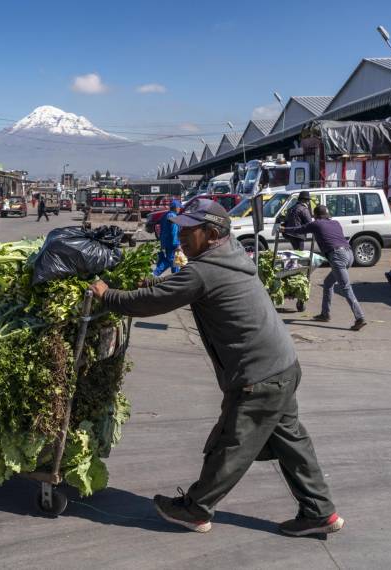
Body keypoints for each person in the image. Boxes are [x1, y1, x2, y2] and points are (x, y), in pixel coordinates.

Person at [89, 199, 344, 537]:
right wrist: (150, 285)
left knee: (231, 444)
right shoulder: (232, 253)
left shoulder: (203, 271)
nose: (179, 236)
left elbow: (154, 302)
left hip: (259, 377)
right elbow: (177, 287)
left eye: (187, 230)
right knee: (291, 442)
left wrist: (108, 295)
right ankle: (319, 512)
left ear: (211, 234)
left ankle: (196, 509)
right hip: (282, 366)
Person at [281, 204, 365, 331]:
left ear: (316, 216)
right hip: (349, 254)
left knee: (346, 287)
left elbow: (299, 230)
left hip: (337, 256)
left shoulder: (316, 224)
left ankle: (360, 318)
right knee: (328, 283)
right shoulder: (335, 223)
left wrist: (284, 229)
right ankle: (325, 314)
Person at [154, 200, 183, 276]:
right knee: (170, 260)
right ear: (176, 208)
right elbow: (174, 231)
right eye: (179, 207)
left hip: (166, 242)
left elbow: (161, 229)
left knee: (176, 261)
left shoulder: (165, 215)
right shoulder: (173, 216)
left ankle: (176, 277)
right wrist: (177, 244)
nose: (180, 209)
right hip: (172, 243)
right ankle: (154, 274)